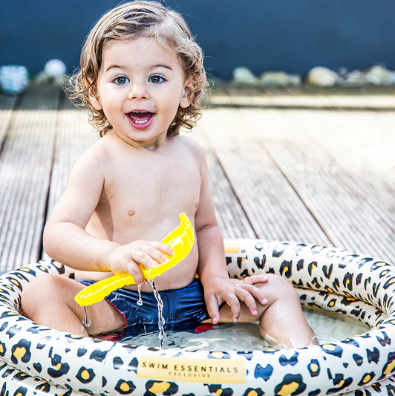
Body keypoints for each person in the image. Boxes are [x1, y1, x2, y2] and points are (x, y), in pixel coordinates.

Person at [21, 1, 316, 348]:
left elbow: (205, 227)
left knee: (276, 289)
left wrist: (216, 279)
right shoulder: (99, 161)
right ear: (94, 92)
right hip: (114, 304)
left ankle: (305, 366)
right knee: (41, 291)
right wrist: (113, 255)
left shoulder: (192, 155)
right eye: (120, 79)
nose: (138, 91)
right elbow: (58, 234)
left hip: (191, 301)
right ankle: (86, 368)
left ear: (187, 90)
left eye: (157, 78)